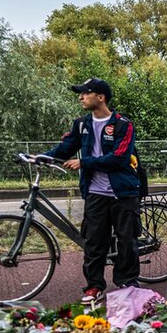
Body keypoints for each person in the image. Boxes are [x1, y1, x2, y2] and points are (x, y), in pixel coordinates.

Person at [41, 78, 140, 305]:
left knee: (127, 241)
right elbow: (64, 149)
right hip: (95, 193)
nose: (81, 97)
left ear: (101, 97)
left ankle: (127, 283)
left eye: (85, 93)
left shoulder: (124, 125)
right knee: (94, 243)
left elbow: (119, 158)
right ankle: (95, 286)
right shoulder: (82, 125)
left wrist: (84, 162)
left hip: (123, 193)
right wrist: (41, 157)